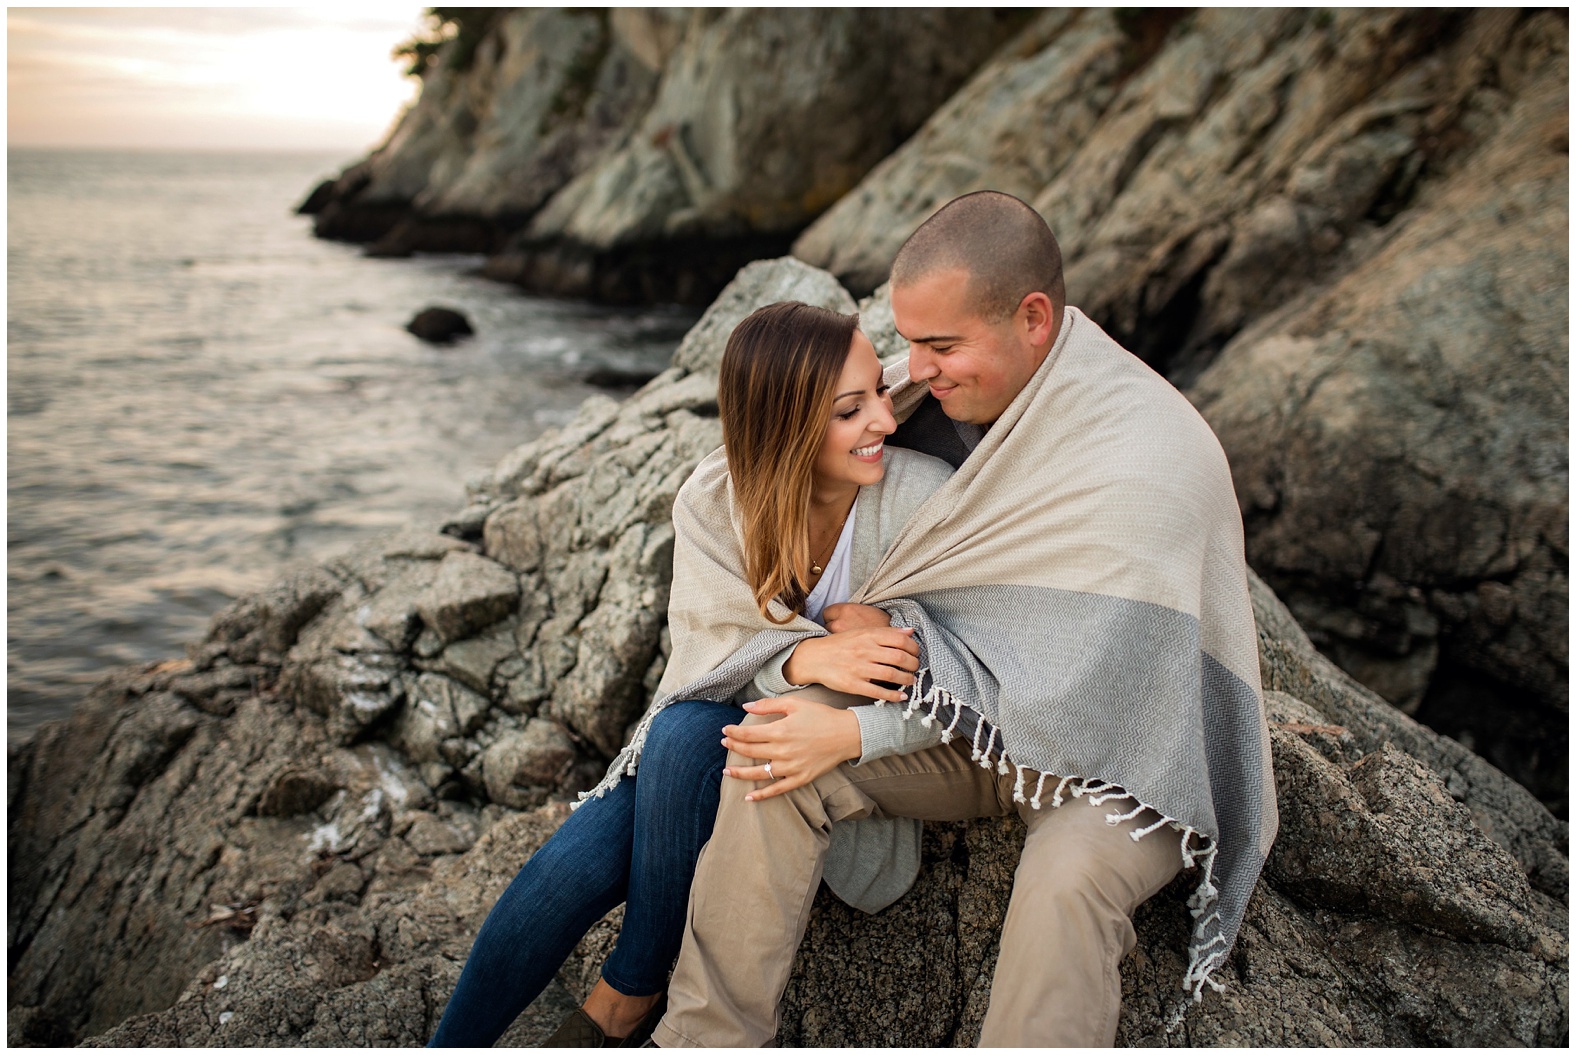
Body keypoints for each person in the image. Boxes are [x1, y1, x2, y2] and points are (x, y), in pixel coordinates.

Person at [650, 191, 1278, 1047]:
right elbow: (787, 460)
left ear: (1033, 318)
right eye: (908, 342)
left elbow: (1070, 688)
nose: (917, 371)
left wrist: (861, 731)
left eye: (941, 346)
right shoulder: (928, 395)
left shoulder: (1146, 461)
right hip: (982, 732)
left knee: (1065, 881)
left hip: (1124, 757)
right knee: (771, 754)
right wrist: (828, 656)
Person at [428, 301, 956, 1047]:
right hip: (710, 758)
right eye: (851, 409)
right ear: (787, 425)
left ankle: (628, 993)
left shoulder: (920, 497)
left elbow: (952, 661)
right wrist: (804, 654)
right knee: (615, 813)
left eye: (879, 391)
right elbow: (705, 662)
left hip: (822, 776)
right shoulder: (715, 500)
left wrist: (858, 647)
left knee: (675, 741)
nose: (885, 420)